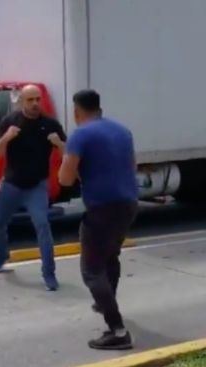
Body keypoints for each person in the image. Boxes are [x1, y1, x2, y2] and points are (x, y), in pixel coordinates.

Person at [59, 89, 139, 350]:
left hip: (102, 208)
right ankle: (107, 301)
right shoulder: (122, 131)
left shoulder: (80, 134)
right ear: (99, 108)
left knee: (91, 270)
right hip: (128, 204)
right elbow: (132, 166)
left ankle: (117, 331)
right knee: (110, 257)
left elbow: (65, 179)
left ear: (76, 111)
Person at [0, 84, 67, 291]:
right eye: (30, 100)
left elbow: (69, 154)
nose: (35, 104)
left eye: (38, 99)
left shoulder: (50, 124)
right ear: (21, 101)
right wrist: (7, 137)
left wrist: (58, 143)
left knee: (42, 225)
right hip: (11, 184)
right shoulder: (10, 121)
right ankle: (2, 255)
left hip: (36, 187)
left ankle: (49, 274)